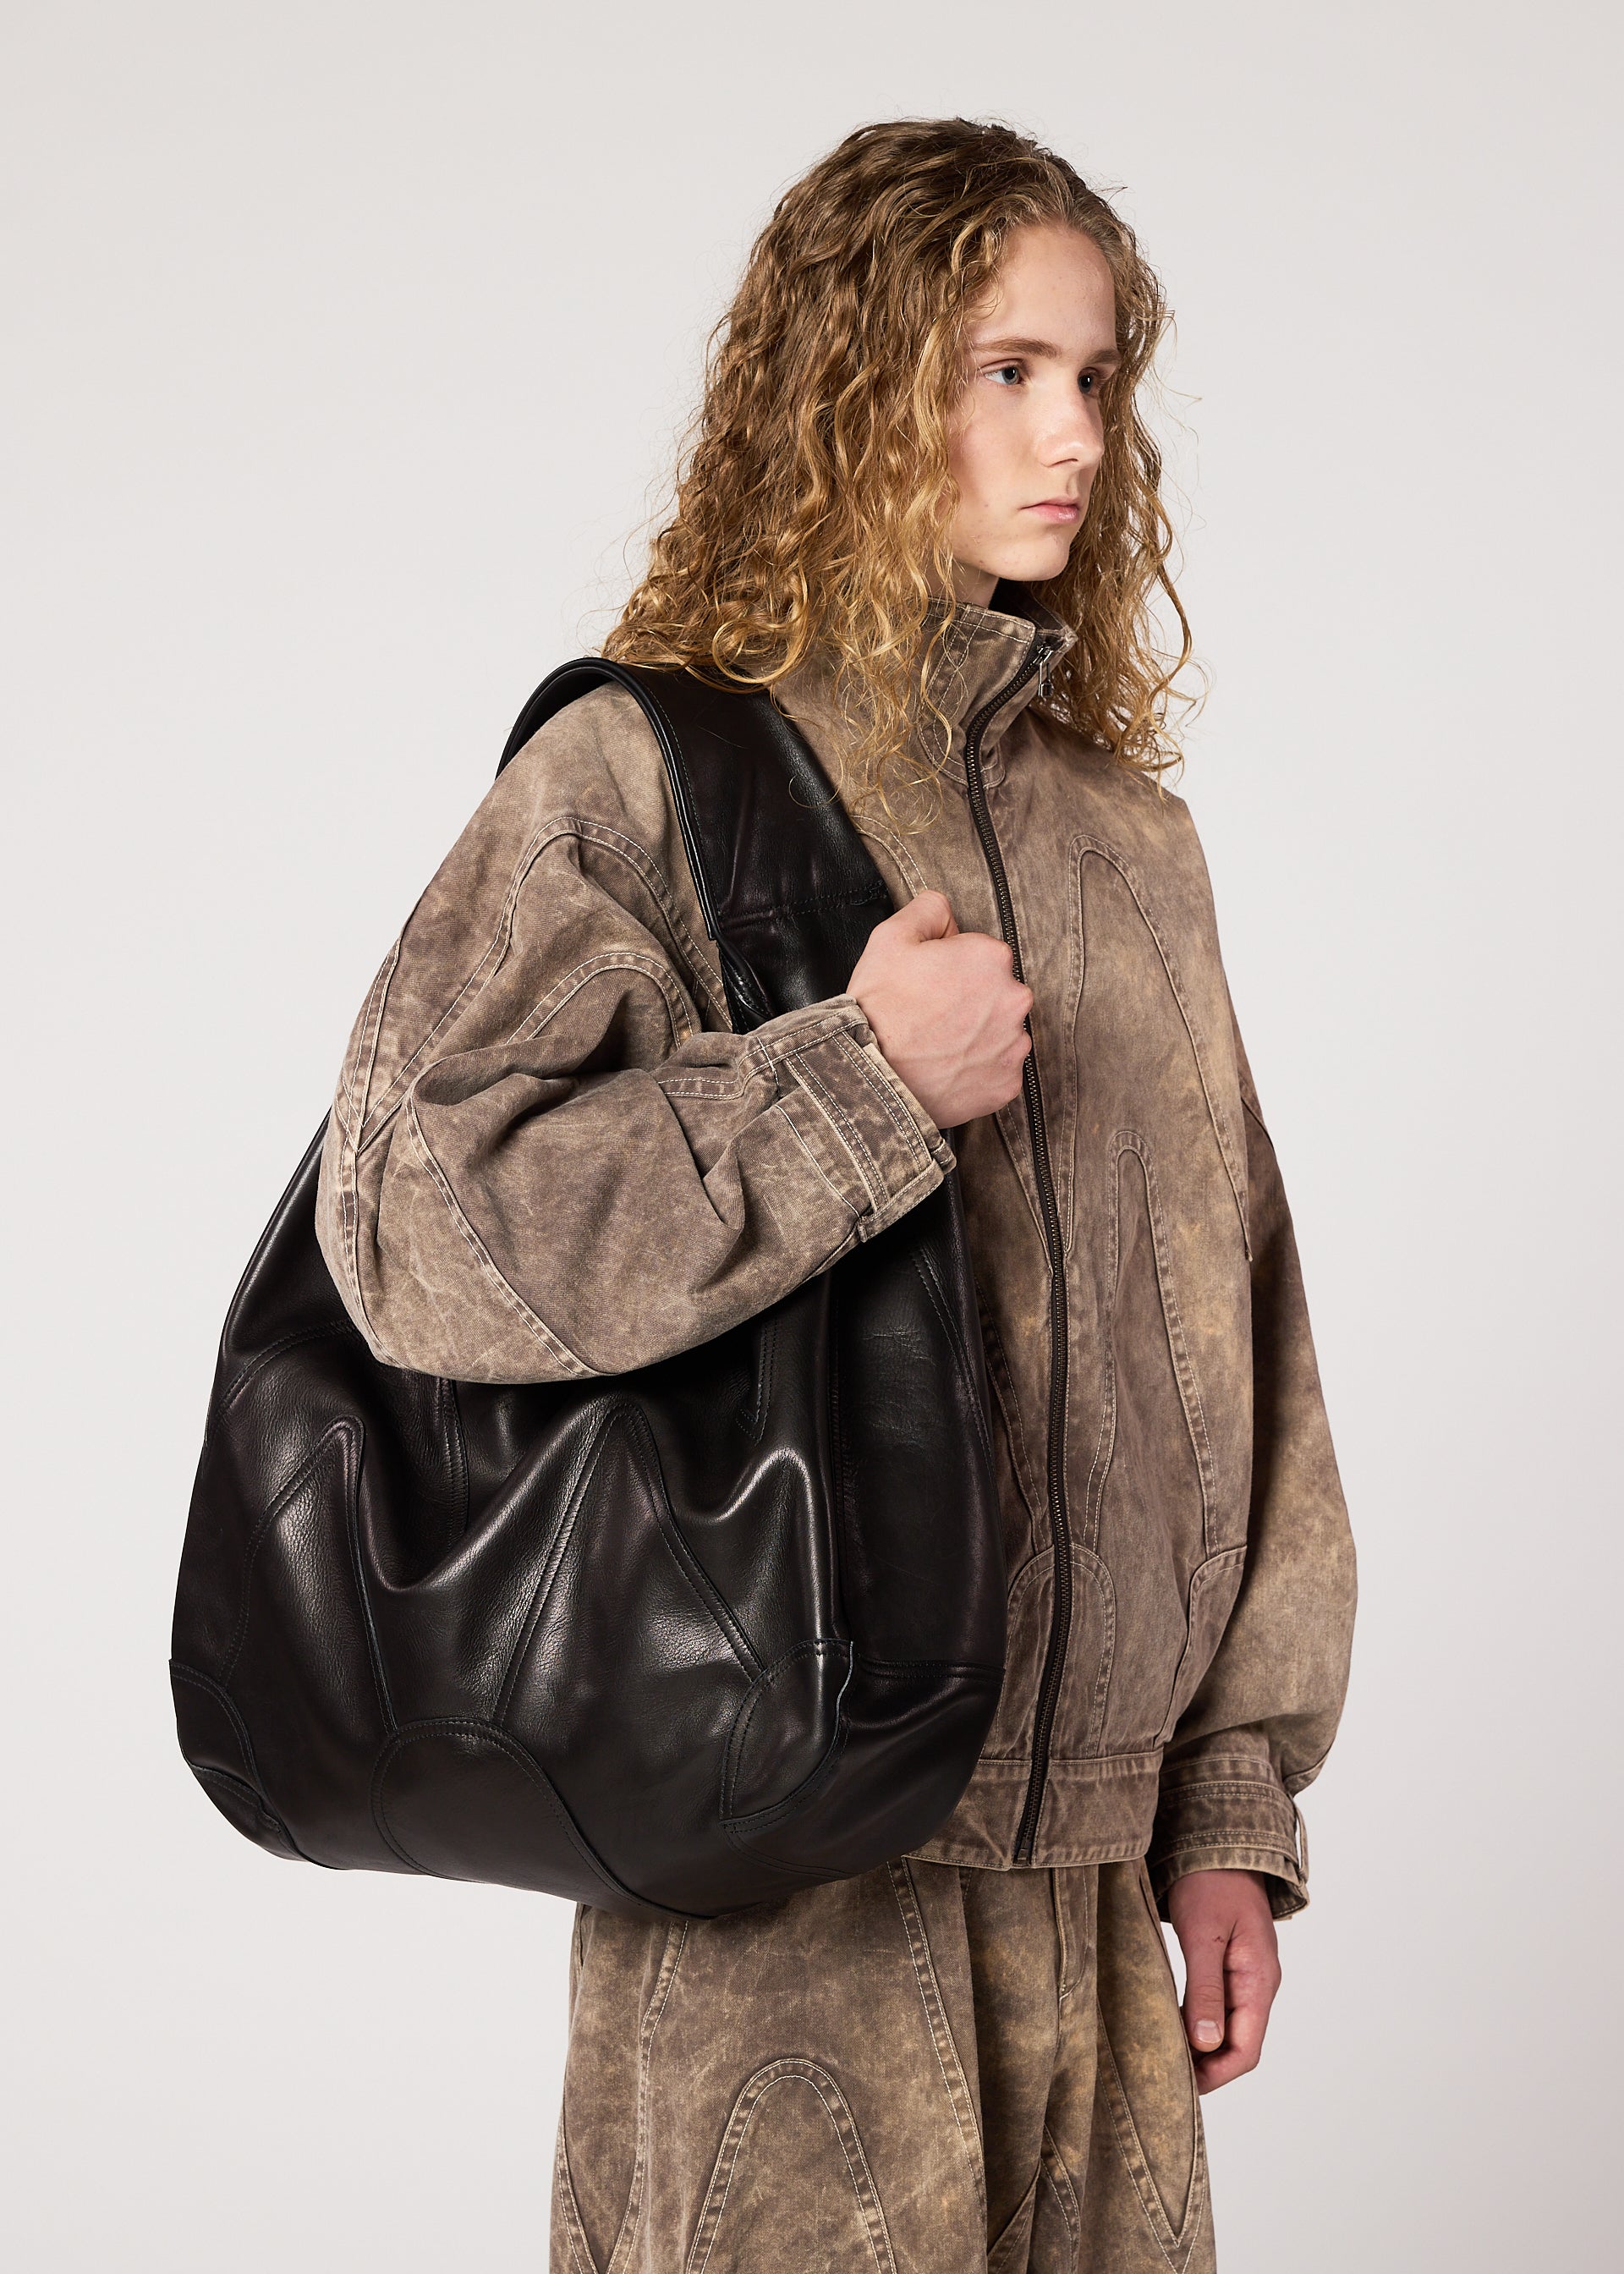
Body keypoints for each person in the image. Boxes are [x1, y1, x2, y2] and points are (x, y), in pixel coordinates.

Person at [314, 117, 1356, 2274]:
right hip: (780, 1874)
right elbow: (417, 1207)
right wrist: (858, 1087)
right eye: (1006, 371)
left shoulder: (1131, 847)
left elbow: (1244, 1332)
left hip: (1086, 1893)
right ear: (855, 378)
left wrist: (1225, 1808)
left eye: (1098, 375)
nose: (1072, 431)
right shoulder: (655, 773)